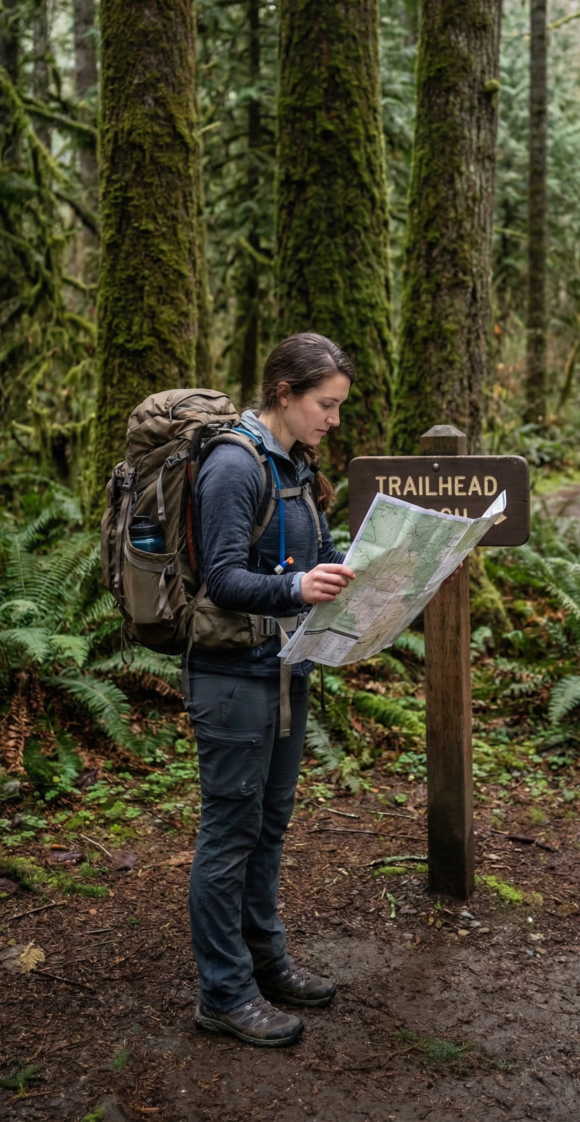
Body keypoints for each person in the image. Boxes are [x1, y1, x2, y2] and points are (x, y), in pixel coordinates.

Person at [187, 332, 356, 1047]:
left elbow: (304, 557)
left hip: (286, 670)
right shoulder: (233, 464)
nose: (334, 420)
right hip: (231, 678)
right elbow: (220, 578)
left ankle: (265, 962)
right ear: (284, 394)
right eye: (326, 404)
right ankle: (223, 993)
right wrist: (295, 586)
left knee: (269, 826)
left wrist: (348, 567)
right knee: (229, 834)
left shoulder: (296, 462)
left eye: (340, 406)